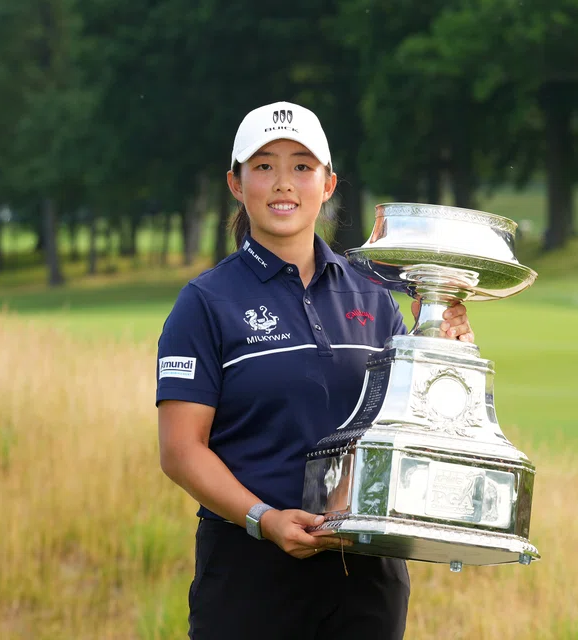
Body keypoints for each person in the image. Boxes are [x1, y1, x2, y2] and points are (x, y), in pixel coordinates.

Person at [155, 101, 474, 640]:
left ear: (328, 184)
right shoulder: (205, 303)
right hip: (248, 571)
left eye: (302, 166)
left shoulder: (375, 296)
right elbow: (181, 450)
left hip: (363, 573)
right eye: (265, 166)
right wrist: (264, 519)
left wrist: (446, 352)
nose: (284, 184)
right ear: (236, 184)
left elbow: (404, 427)